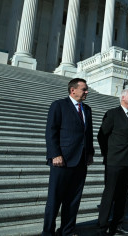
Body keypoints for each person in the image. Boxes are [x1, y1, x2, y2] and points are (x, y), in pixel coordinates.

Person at [42, 78, 94, 236]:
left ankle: (67, 231)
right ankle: (48, 232)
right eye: (84, 89)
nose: (86, 92)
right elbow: (51, 131)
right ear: (73, 90)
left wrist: (90, 153)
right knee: (54, 200)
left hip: (80, 161)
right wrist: (55, 154)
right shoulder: (59, 105)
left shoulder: (87, 109)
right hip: (61, 161)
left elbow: (88, 134)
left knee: (73, 200)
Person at [97, 89, 128, 235]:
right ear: (122, 97)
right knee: (110, 194)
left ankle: (118, 224)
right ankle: (102, 226)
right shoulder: (112, 113)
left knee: (124, 195)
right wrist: (107, 155)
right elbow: (101, 135)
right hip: (114, 161)